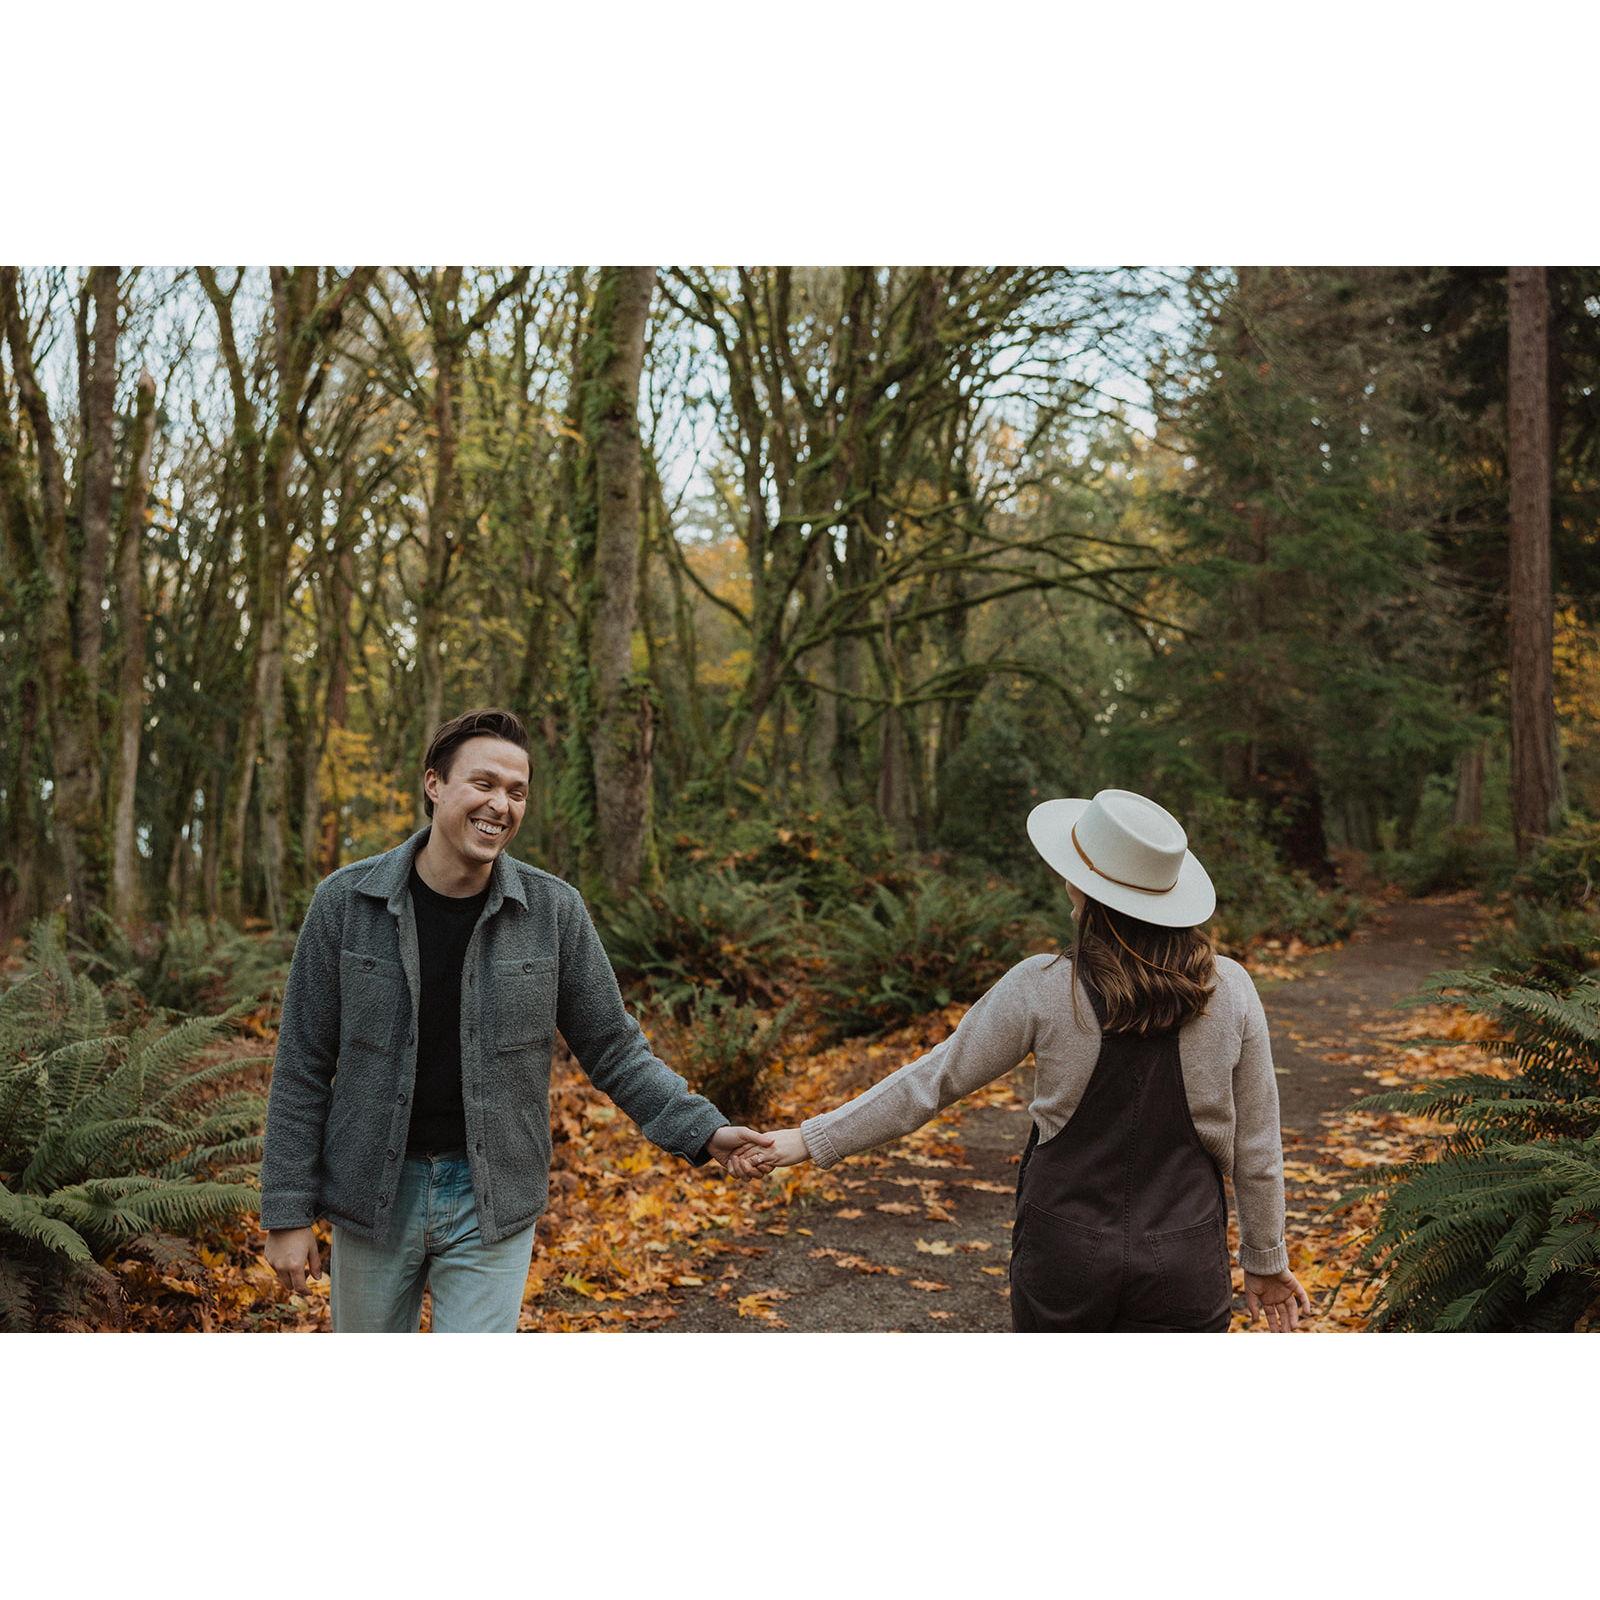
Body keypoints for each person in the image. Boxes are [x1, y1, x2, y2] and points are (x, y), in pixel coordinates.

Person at [259, 707, 773, 1332]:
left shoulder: (554, 911)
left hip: (492, 1197)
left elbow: (614, 1047)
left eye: (517, 791)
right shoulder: (345, 902)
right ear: (435, 784)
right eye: (483, 784)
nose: (500, 805)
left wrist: (705, 1131)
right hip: (370, 1195)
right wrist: (287, 1213)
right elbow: (302, 1065)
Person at [753, 787, 1314, 1332]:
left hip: (1064, 1252)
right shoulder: (1232, 989)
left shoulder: (1043, 985)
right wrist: (1265, 1259)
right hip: (1184, 1256)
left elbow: (934, 1079)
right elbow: (1257, 1147)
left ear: (1078, 885)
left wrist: (810, 1139)